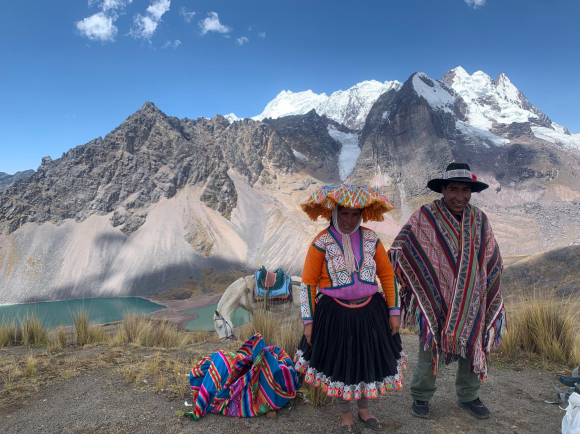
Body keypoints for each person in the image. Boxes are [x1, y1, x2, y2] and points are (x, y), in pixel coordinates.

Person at [388, 162, 506, 420]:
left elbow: (491, 257)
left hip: (473, 298)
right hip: (435, 296)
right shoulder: (425, 216)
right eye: (454, 189)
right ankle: (421, 396)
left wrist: (487, 284)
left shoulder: (480, 220)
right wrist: (416, 278)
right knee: (429, 346)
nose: (460, 197)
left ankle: (469, 396)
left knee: (473, 342)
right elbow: (399, 250)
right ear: (443, 189)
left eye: (466, 190)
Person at [295, 184, 407, 433]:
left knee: (366, 360)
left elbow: (387, 277)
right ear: (334, 212)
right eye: (344, 213)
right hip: (334, 315)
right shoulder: (321, 242)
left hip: (370, 313)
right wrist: (309, 321)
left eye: (355, 214)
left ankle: (364, 410)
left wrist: (394, 312)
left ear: (362, 215)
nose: (349, 219)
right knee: (341, 363)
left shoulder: (371, 239)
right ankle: (345, 414)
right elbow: (308, 284)